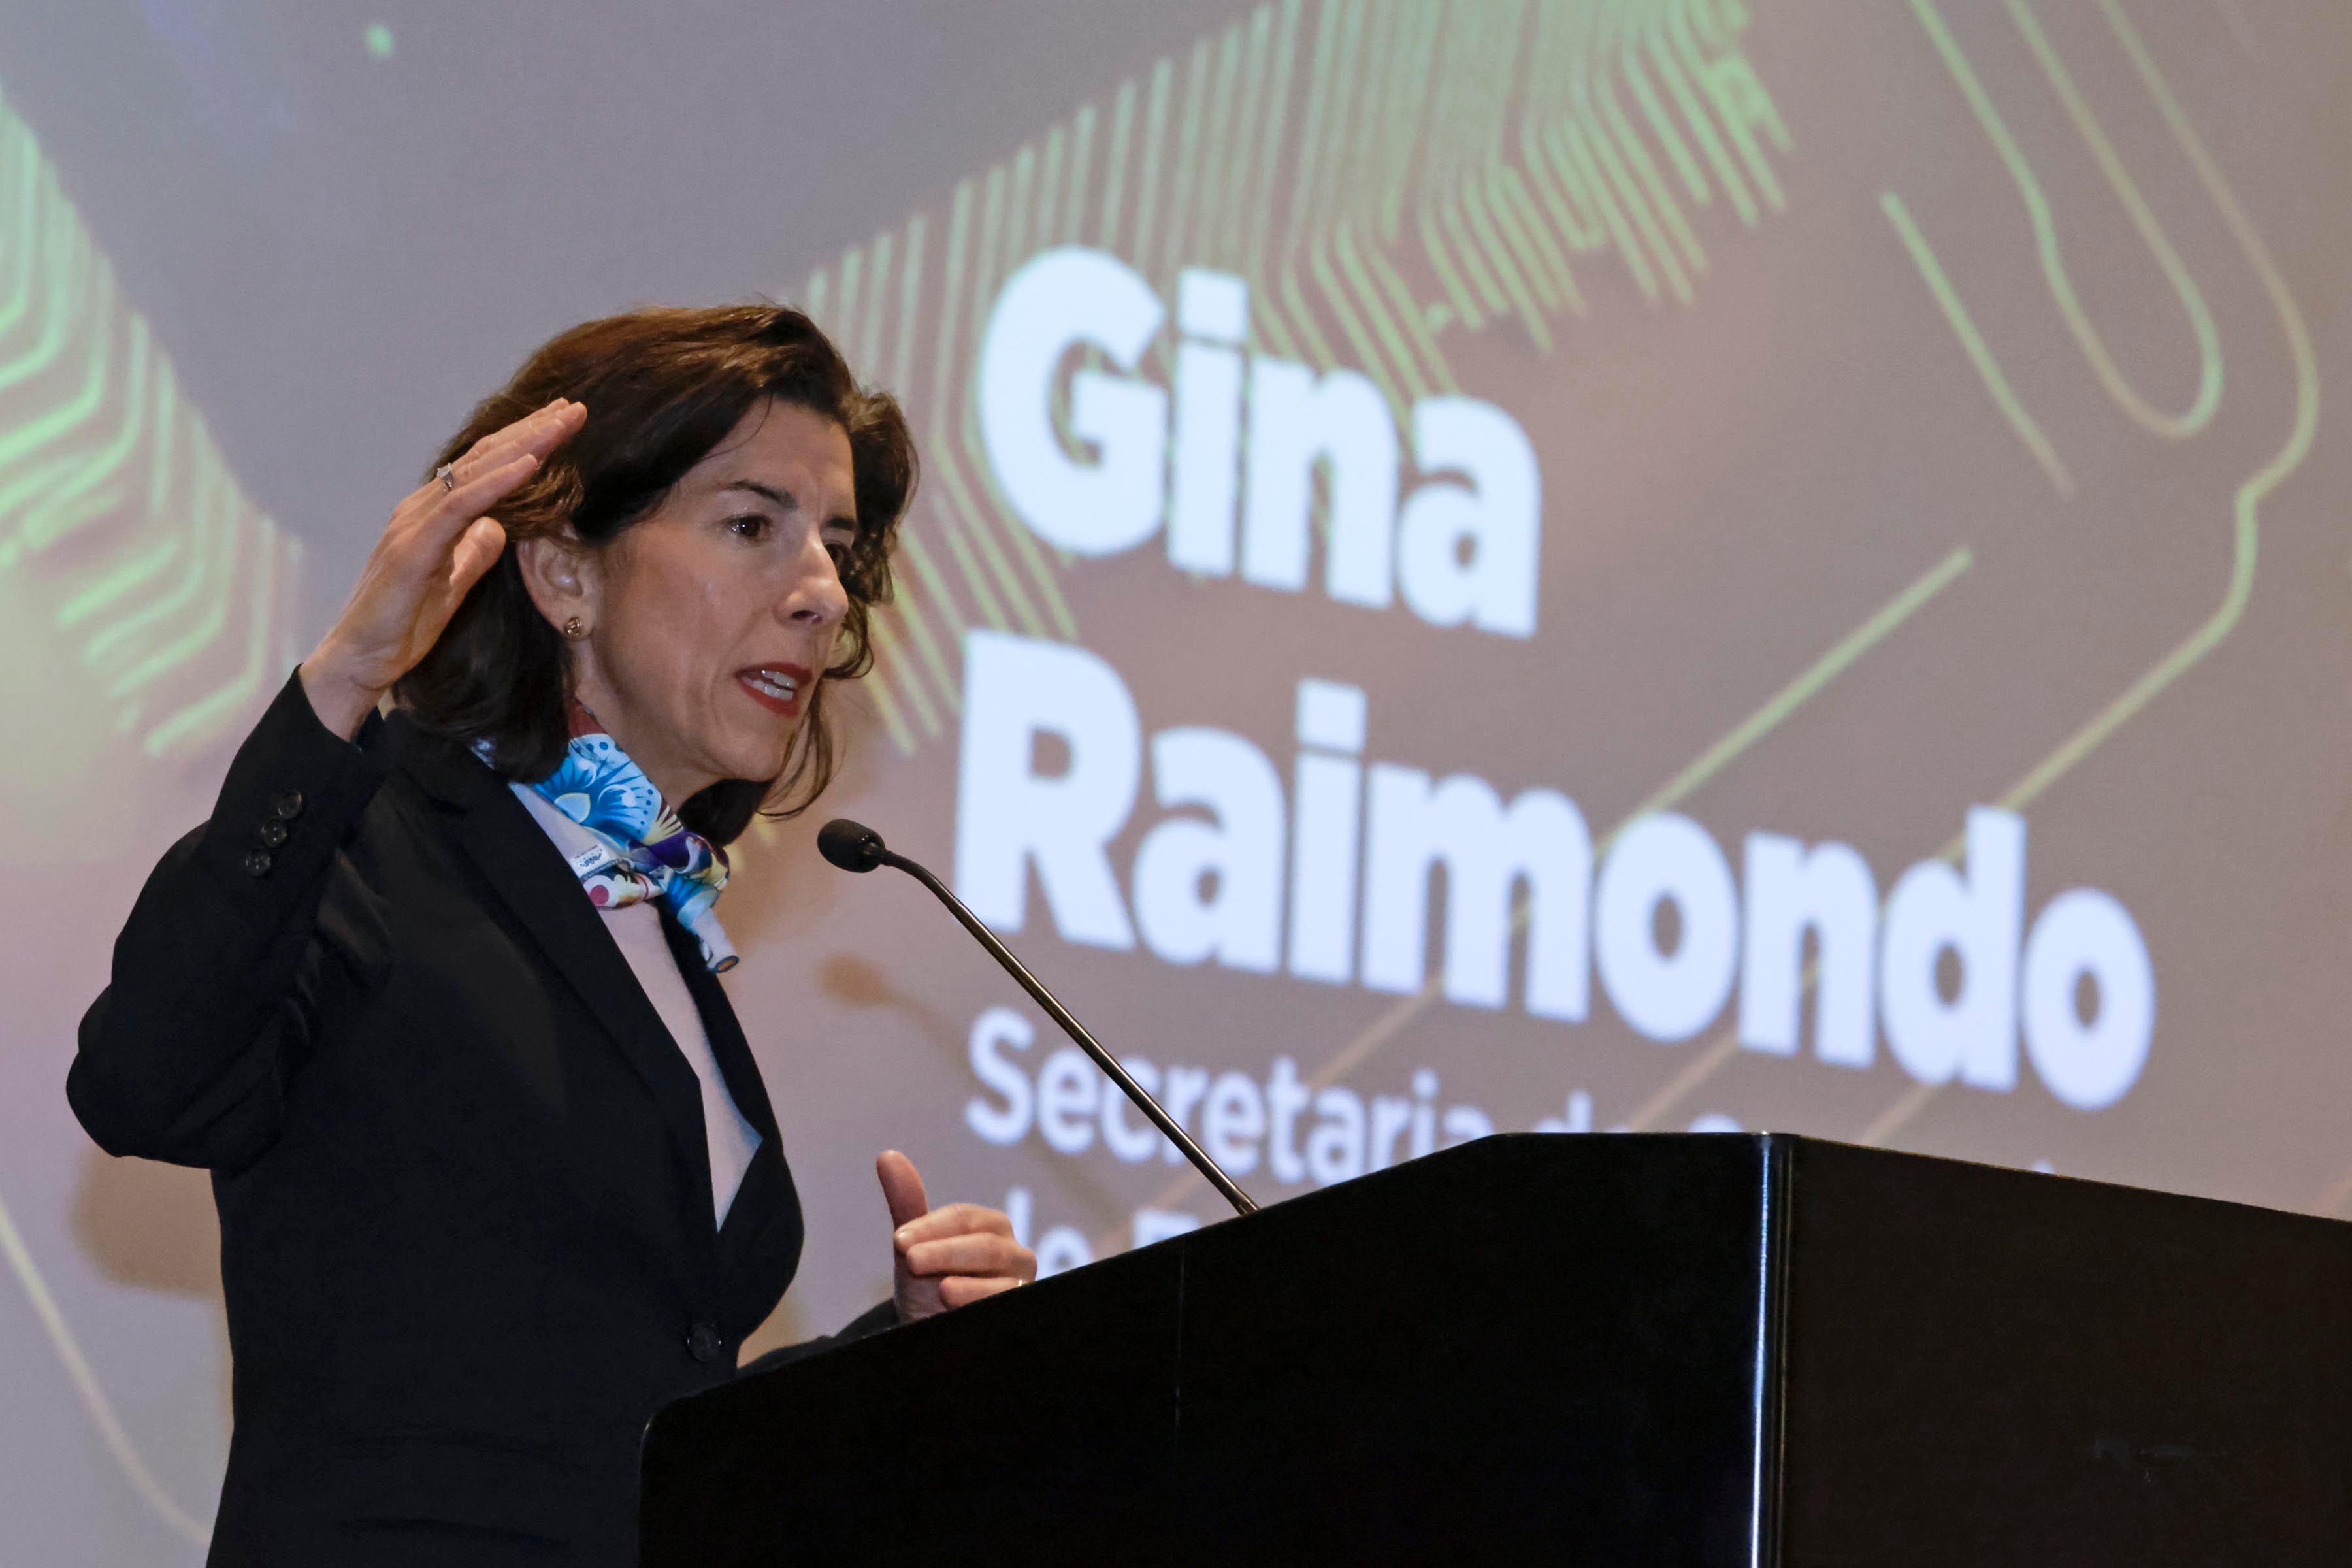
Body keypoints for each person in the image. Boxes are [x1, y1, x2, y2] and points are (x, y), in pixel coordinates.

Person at [67, 305, 1036, 1567]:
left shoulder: (664, 927)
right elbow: (147, 1085)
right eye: (754, 527)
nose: (818, 593)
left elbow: (625, 1425)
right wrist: (345, 681)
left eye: (837, 551)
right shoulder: (376, 836)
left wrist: (896, 1355)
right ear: (564, 572)